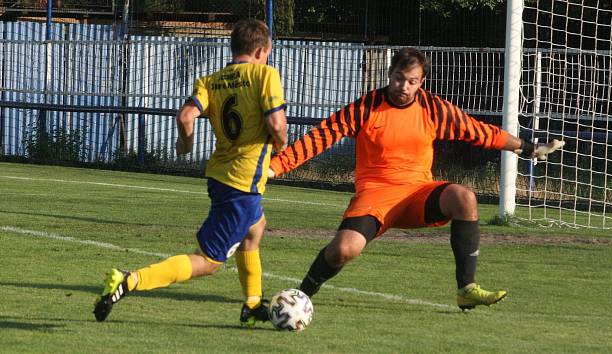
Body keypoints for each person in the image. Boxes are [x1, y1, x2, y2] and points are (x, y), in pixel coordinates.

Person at [268, 47, 563, 310]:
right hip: (376, 196)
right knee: (343, 250)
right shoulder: (366, 107)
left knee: (464, 197)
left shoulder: (433, 108)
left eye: (412, 81)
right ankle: (301, 297)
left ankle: (466, 289)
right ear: (389, 74)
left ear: (421, 82)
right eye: (399, 78)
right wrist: (275, 167)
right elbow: (321, 137)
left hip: (417, 193)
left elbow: (479, 131)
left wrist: (528, 148)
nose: (403, 87)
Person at [93, 18, 288, 325]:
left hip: (220, 175)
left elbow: (185, 117)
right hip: (243, 181)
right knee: (208, 261)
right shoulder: (266, 75)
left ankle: (251, 305)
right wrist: (281, 144)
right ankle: (130, 281)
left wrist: (185, 146)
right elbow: (277, 124)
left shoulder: (210, 81)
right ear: (262, 51)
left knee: (256, 228)